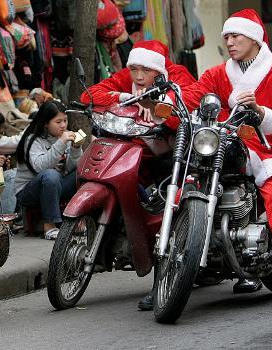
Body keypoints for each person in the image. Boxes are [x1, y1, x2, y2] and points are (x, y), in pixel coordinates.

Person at [174, 9, 272, 296]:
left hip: (271, 152)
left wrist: (260, 112)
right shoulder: (217, 73)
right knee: (177, 193)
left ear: (255, 39)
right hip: (224, 144)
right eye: (226, 37)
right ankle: (169, 274)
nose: (229, 42)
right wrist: (168, 102)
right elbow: (193, 96)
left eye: (235, 36)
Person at [80, 40, 196, 311]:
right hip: (135, 153)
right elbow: (91, 95)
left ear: (158, 68)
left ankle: (161, 282)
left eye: (146, 70)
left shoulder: (177, 75)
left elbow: (190, 101)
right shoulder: (127, 77)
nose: (139, 76)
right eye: (134, 69)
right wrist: (122, 97)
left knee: (169, 210)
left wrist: (158, 105)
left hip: (172, 157)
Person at [14, 100, 82, 240]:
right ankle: (49, 226)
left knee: (83, 172)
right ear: (46, 123)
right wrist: (61, 143)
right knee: (51, 175)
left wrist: (76, 148)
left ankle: (79, 221)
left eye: (65, 120)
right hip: (29, 190)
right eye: (58, 122)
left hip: (55, 184)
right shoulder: (33, 140)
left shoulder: (62, 136)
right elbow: (41, 167)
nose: (63, 125)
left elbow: (69, 169)